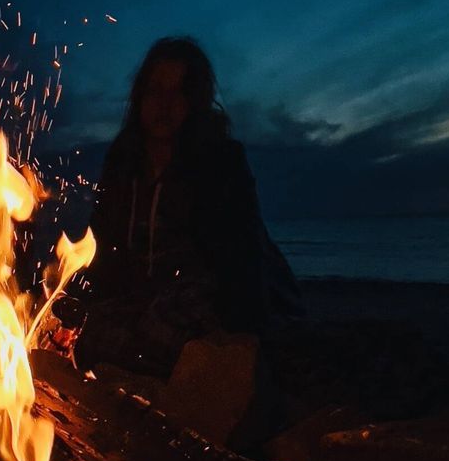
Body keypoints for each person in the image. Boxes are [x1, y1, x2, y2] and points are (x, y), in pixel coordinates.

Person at [77, 37, 301, 375]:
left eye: (178, 91)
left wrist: (246, 331)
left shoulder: (220, 161)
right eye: (155, 90)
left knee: (162, 330)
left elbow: (241, 255)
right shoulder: (124, 162)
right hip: (144, 296)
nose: (164, 104)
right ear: (140, 97)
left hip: (204, 293)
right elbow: (102, 243)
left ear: (194, 101)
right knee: (88, 334)